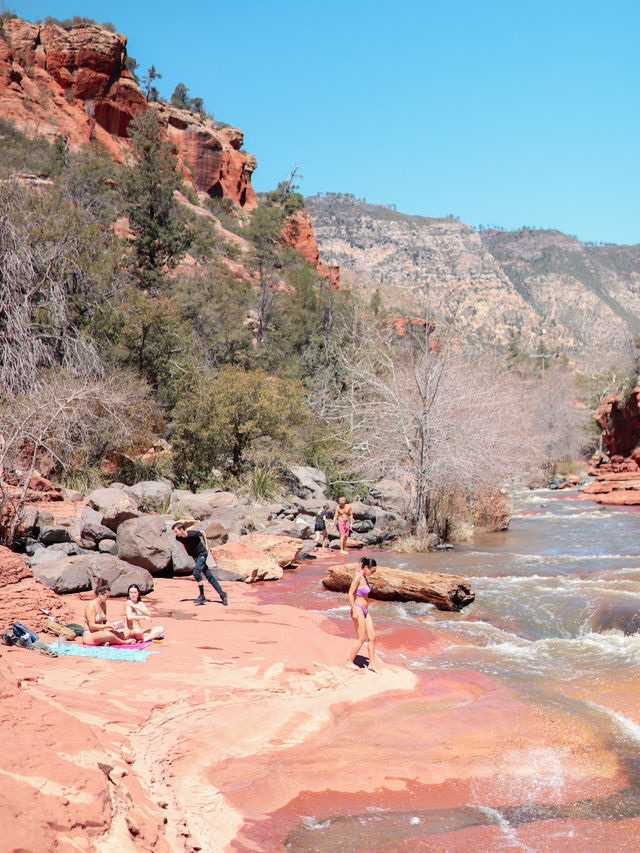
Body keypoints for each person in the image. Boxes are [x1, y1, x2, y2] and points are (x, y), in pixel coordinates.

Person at [172, 521, 228, 606]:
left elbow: (202, 532)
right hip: (196, 556)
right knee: (208, 575)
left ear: (181, 530)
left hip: (202, 554)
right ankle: (222, 593)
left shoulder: (192, 534)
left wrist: (207, 546)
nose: (175, 533)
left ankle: (202, 596)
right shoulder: (178, 538)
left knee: (196, 572)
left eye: (176, 531)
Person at [347, 557, 381, 671]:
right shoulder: (358, 577)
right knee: (361, 638)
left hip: (366, 610)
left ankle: (371, 664)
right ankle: (349, 661)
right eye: (372, 571)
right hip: (358, 608)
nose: (373, 573)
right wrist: (354, 609)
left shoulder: (364, 577)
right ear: (366, 567)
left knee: (372, 637)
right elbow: (350, 593)